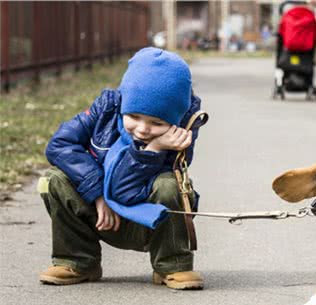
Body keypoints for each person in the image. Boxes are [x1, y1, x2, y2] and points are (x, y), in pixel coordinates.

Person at [38, 47, 206, 290]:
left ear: (174, 119)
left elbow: (124, 190)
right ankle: (77, 260)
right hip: (103, 218)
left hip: (148, 221)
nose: (142, 129)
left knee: (168, 184)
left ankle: (172, 264)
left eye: (156, 123)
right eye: (134, 116)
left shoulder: (181, 130)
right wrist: (96, 193)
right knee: (54, 179)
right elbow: (59, 145)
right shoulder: (108, 108)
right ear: (124, 103)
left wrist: (155, 147)